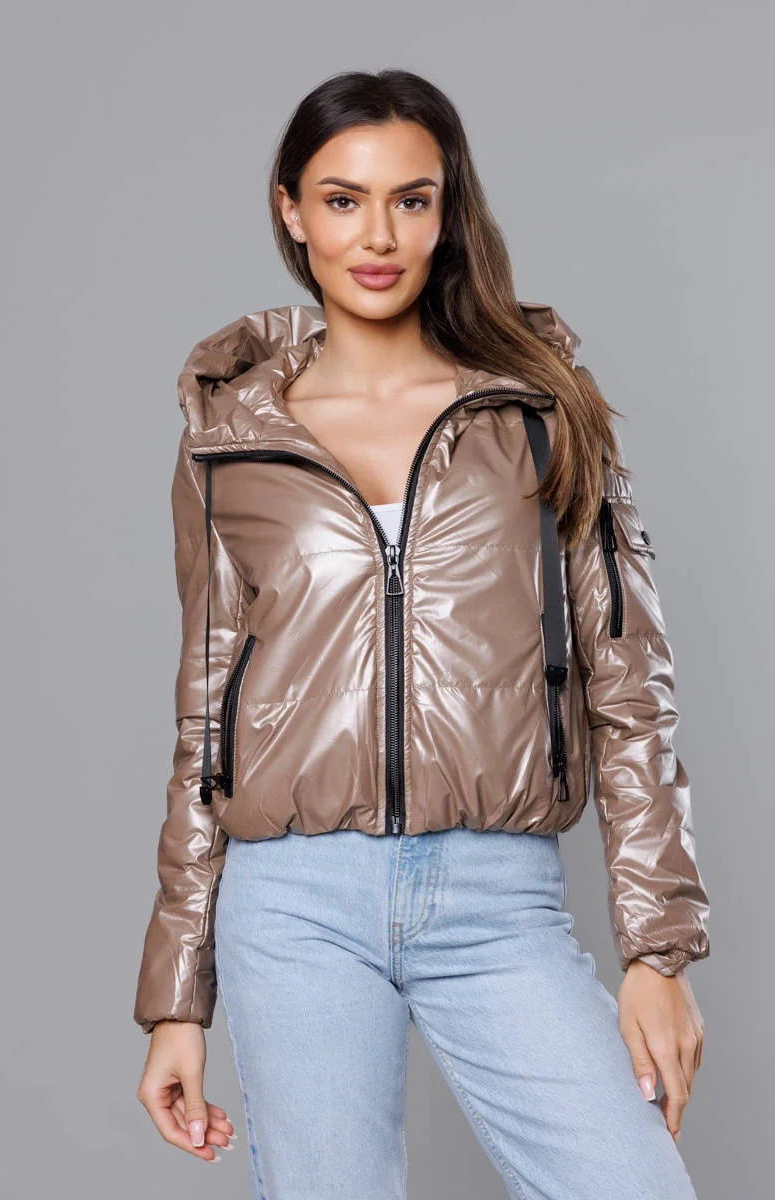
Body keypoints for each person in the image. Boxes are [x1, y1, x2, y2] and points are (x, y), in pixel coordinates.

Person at [134, 68, 709, 1198]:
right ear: (291, 211)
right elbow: (207, 725)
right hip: (292, 905)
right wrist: (176, 1001)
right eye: (342, 200)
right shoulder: (229, 444)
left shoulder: (540, 412)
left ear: (448, 213)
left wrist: (656, 951)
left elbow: (628, 683)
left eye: (411, 199)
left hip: (497, 897)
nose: (378, 236)